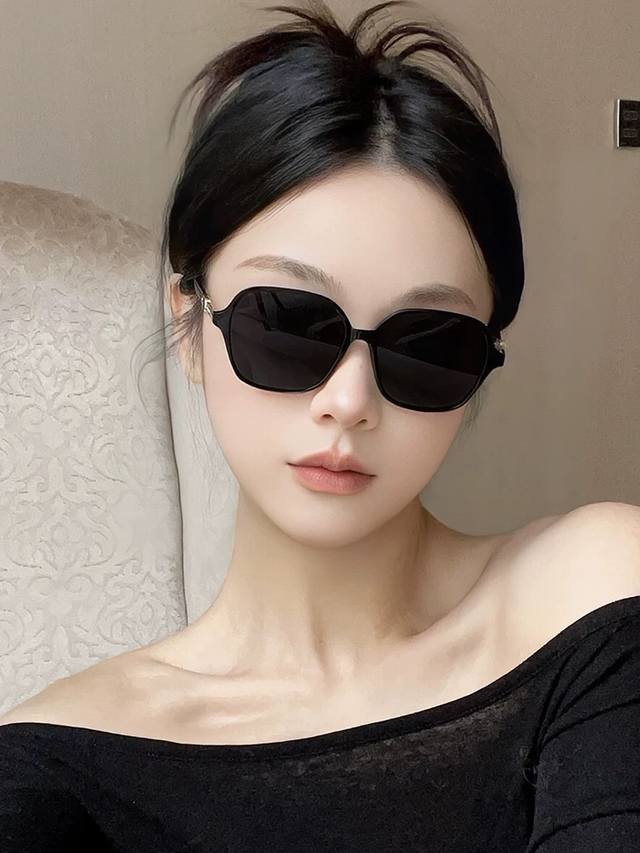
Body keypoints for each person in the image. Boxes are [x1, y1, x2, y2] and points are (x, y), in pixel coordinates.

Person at [2, 2, 639, 850]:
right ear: (189, 325)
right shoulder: (54, 765)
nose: (349, 399)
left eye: (427, 345)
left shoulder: (592, 596)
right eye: (289, 324)